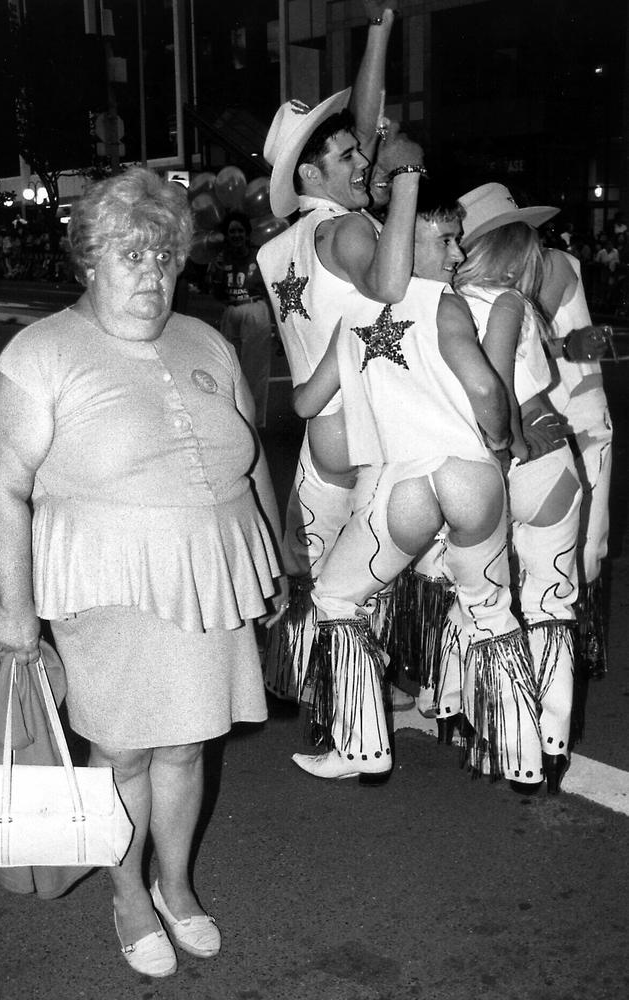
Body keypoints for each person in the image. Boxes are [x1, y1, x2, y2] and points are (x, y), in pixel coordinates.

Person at [0, 167, 287, 979]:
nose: (151, 274)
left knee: (187, 747)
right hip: (104, 585)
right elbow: (2, 487)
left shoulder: (206, 339)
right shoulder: (37, 356)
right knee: (123, 755)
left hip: (209, 576)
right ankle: (128, 896)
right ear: (87, 261)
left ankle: (176, 886)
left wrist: (274, 552)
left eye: (162, 256)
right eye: (129, 256)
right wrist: (16, 608)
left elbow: (249, 456)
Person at [290, 181, 544, 789]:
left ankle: (362, 746)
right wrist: (501, 442)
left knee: (336, 601)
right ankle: (523, 755)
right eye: (446, 239)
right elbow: (485, 388)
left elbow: (304, 403)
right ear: (407, 240)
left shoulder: (353, 316)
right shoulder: (446, 304)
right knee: (490, 611)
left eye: (457, 240)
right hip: (472, 476)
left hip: (404, 484)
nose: (457, 255)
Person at [258, 0, 424, 704]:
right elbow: (391, 283)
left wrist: (378, 35)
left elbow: (362, 121)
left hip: (316, 438)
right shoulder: (351, 232)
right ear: (312, 176)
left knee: (322, 573)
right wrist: (404, 192)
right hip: (367, 430)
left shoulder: (275, 248)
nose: (364, 159)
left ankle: (324, 686)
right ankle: (363, 705)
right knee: (369, 576)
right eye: (348, 158)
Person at [454, 183, 583, 794]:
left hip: (481, 468)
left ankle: (510, 744)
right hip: (542, 461)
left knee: (490, 612)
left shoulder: (443, 304)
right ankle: (550, 747)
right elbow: (505, 378)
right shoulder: (510, 301)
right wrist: (514, 441)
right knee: (552, 606)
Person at [539, 242, 613, 684]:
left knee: (581, 541)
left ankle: (565, 656)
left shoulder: (551, 262)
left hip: (577, 416)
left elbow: (523, 337)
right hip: (548, 414)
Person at [208, 210, 273, 428]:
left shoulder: (259, 256)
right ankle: (235, 417)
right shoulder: (221, 258)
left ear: (246, 233)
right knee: (230, 368)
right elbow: (216, 293)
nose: (236, 235)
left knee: (255, 369)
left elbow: (271, 290)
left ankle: (254, 421)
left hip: (254, 310)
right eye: (232, 231)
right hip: (231, 312)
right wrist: (215, 273)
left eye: (240, 231)